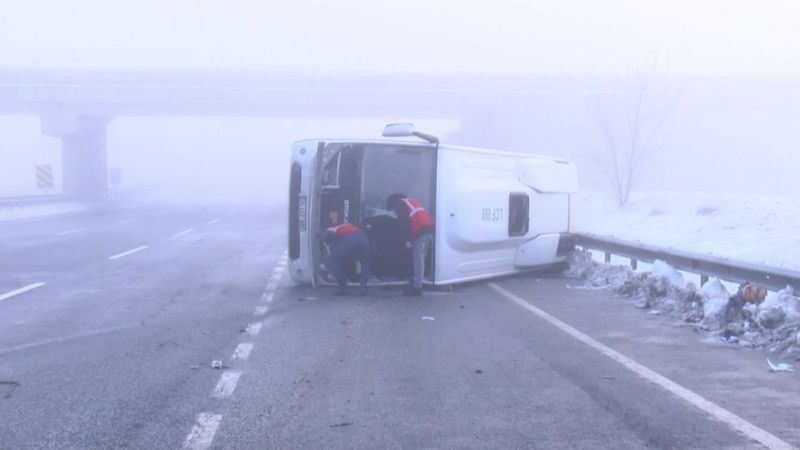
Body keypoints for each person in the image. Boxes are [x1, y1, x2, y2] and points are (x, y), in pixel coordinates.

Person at [386, 193, 434, 297]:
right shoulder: (412, 201)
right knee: (421, 259)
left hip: (420, 230)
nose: (394, 212)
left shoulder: (399, 204)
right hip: (428, 229)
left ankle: (417, 288)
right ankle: (417, 281)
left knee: (418, 260)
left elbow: (404, 222)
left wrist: (406, 240)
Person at [322, 222, 370, 296]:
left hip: (351, 239)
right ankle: (363, 286)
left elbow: (330, 239)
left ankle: (343, 286)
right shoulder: (344, 226)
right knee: (363, 261)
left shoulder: (329, 230)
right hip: (363, 238)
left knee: (332, 260)